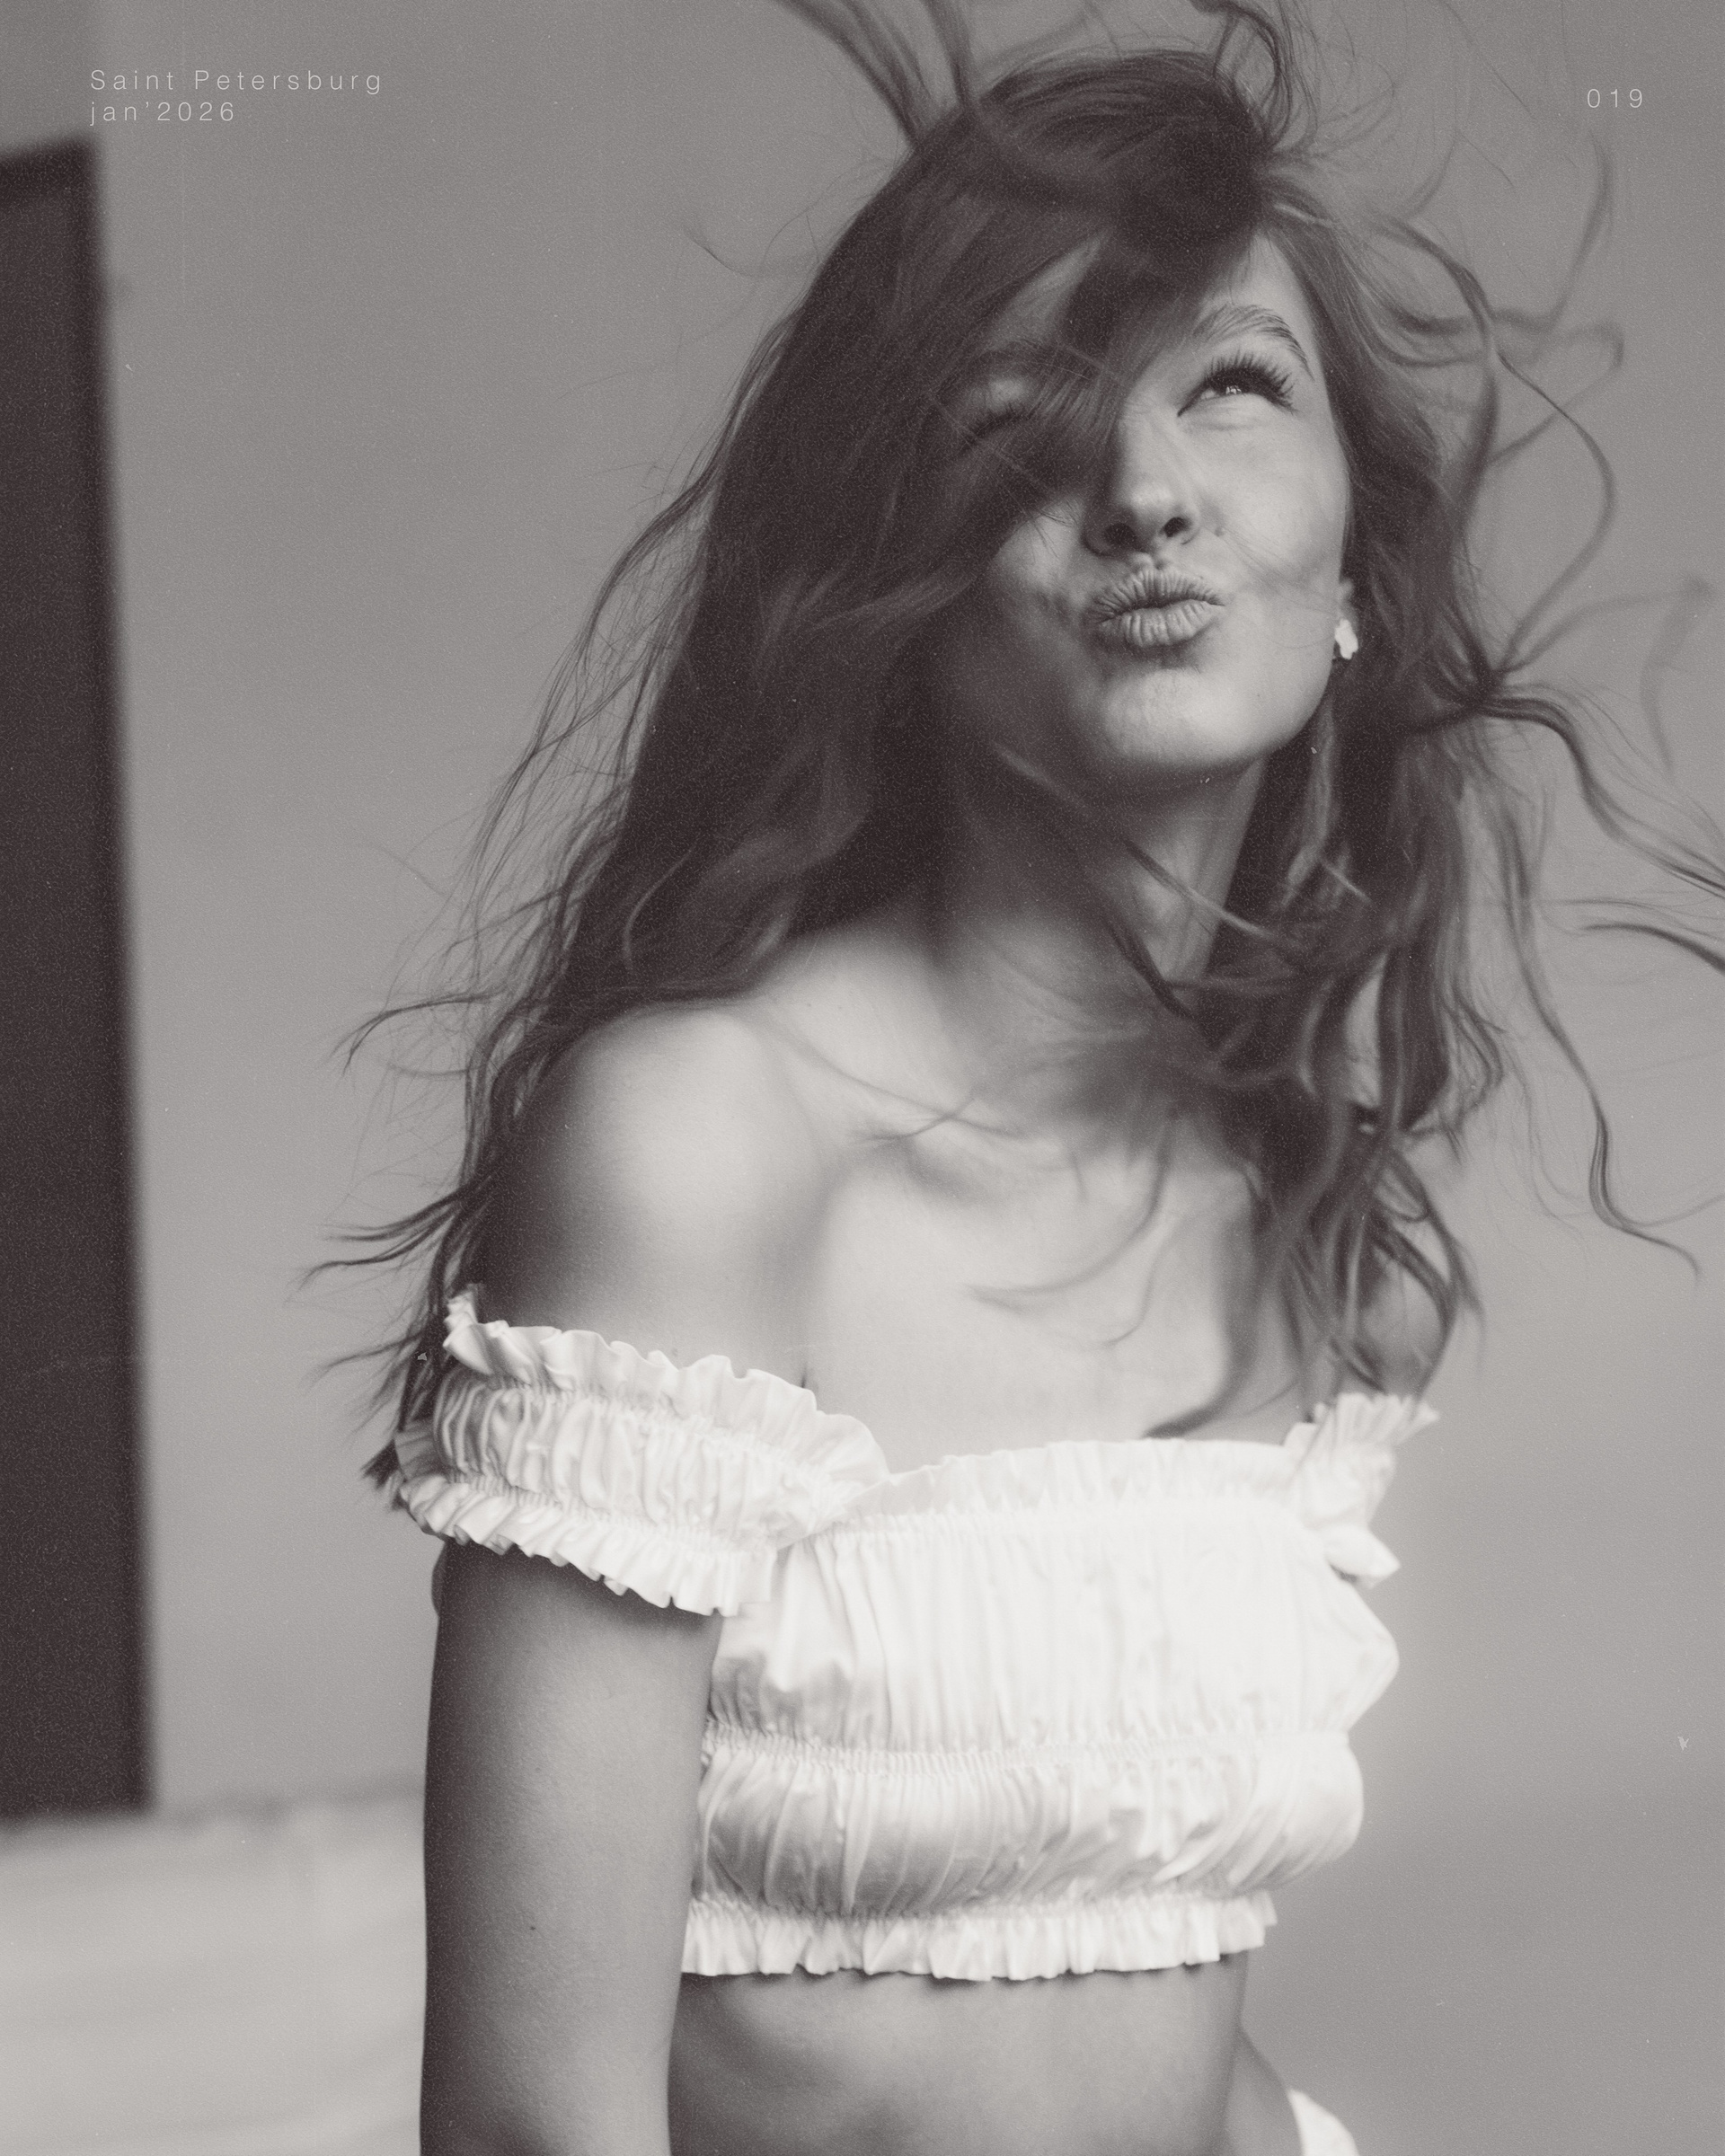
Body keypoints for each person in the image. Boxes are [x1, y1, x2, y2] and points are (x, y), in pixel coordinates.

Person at [350, 5, 1714, 2152]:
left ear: (1353, 558)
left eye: (1230, 385)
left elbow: (1136, 1988)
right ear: (895, 585)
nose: (1146, 494)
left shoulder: (1304, 1237)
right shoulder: (707, 1147)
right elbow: (535, 2123)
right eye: (1022, 429)